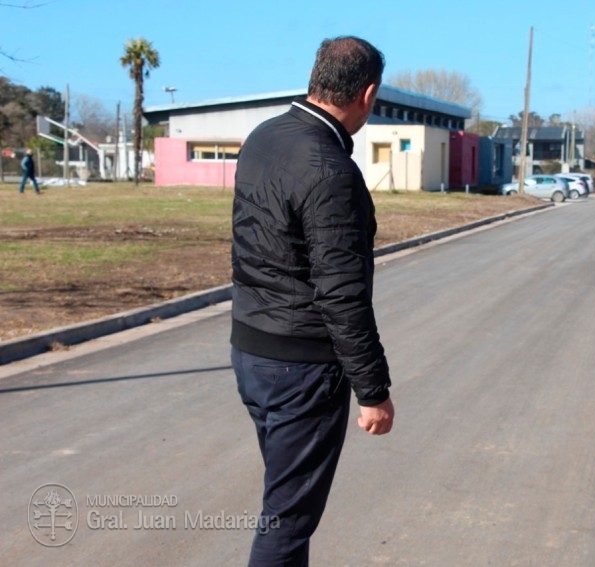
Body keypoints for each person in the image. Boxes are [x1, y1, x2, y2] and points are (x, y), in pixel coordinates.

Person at [230, 36, 394, 566]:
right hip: (300, 369)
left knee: (286, 508)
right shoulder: (330, 169)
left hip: (251, 352)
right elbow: (342, 293)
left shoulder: (265, 136)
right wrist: (373, 389)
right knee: (287, 521)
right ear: (367, 94)